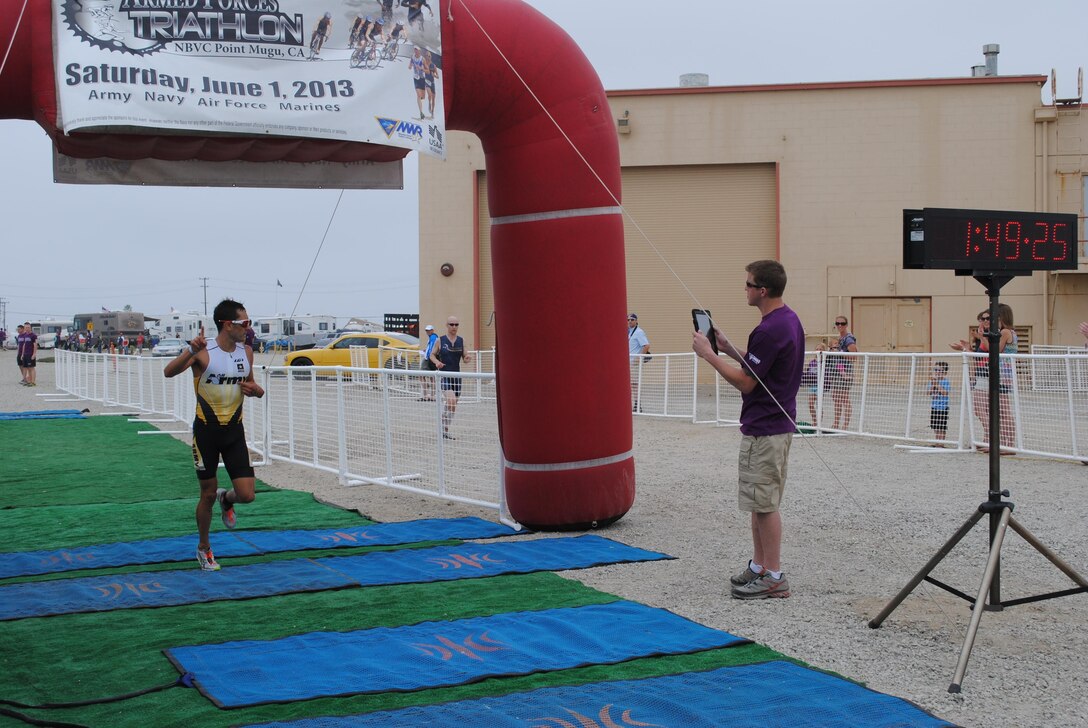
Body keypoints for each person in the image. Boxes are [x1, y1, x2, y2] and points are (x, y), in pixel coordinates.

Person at [692, 260, 804, 600]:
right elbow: (759, 365)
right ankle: (759, 566)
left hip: (767, 427)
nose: (745, 289)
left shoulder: (769, 329)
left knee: (765, 504)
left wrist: (710, 355)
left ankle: (773, 575)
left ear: (762, 290)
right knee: (758, 500)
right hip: (769, 425)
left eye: (748, 284)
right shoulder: (787, 321)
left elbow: (746, 383)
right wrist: (728, 349)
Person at [163, 299, 265, 571]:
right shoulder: (202, 350)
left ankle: (227, 498)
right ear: (227, 325)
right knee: (206, 494)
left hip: (234, 432)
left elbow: (253, 385)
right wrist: (188, 352)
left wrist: (256, 391)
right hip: (206, 433)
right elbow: (168, 372)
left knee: (247, 495)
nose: (248, 328)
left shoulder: (246, 352)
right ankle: (204, 548)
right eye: (245, 323)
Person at [430, 316, 472, 440]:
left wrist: (467, 358)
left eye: (456, 324)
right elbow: (432, 355)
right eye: (451, 324)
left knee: (452, 405)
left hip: (457, 376)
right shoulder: (440, 340)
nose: (454, 327)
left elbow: (465, 356)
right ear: (447, 325)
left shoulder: (461, 340)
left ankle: (445, 429)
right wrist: (437, 362)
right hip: (444, 375)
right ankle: (443, 428)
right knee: (451, 401)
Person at [828, 316, 857, 430]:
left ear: (846, 324)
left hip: (845, 373)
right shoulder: (840, 338)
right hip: (836, 372)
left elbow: (854, 356)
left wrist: (838, 352)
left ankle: (845, 425)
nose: (839, 325)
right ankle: (836, 423)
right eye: (837, 323)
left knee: (844, 398)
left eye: (842, 323)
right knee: (836, 397)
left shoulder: (849, 338)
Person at [627, 313, 650, 412]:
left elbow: (646, 345)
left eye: (632, 319)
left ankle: (637, 404)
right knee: (629, 384)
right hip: (627, 362)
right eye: (628, 320)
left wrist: (639, 358)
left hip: (634, 363)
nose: (630, 321)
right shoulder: (628, 332)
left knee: (634, 384)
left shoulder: (639, 332)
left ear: (636, 321)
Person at [803, 343, 827, 427]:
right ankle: (814, 420)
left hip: (820, 386)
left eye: (820, 349)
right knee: (810, 403)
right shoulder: (812, 362)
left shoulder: (824, 362)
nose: (818, 350)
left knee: (819, 404)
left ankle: (819, 423)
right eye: (816, 349)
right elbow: (808, 373)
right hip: (812, 385)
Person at [928, 361, 951, 444]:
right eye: (936, 370)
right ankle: (937, 441)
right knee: (935, 425)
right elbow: (929, 393)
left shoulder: (946, 381)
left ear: (944, 372)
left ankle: (941, 442)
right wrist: (933, 385)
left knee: (942, 426)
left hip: (943, 408)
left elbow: (945, 393)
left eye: (939, 370)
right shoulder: (932, 381)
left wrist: (937, 385)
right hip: (934, 407)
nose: (937, 372)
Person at [418, 324, 438, 401]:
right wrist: (426, 350)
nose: (428, 332)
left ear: (432, 330)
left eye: (429, 330)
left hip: (428, 359)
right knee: (432, 377)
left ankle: (425, 395)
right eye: (427, 330)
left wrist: (428, 355)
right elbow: (431, 348)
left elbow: (432, 347)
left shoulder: (433, 337)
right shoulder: (434, 337)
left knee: (421, 376)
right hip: (432, 358)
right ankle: (432, 396)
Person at [410, 46, 427, 120]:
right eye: (414, 49)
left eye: (417, 50)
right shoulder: (412, 57)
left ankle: (422, 106)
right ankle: (421, 113)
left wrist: (420, 68)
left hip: (422, 78)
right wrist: (411, 66)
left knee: (423, 96)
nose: (415, 51)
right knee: (419, 95)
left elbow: (427, 70)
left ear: (419, 51)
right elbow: (409, 66)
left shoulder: (422, 59)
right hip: (416, 78)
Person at [423, 50, 439, 119]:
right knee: (429, 94)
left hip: (432, 83)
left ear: (431, 57)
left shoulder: (434, 65)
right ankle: (429, 103)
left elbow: (438, 76)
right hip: (427, 81)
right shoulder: (424, 64)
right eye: (427, 56)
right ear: (425, 56)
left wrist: (434, 75)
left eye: (429, 56)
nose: (428, 57)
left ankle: (432, 112)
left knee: (434, 99)